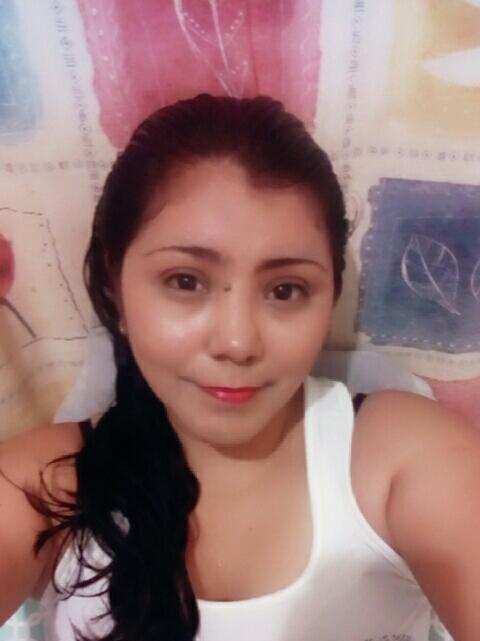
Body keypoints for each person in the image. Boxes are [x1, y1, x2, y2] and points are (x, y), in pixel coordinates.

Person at [0, 94, 479, 641]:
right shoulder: (43, 485)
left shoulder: (398, 456)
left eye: (285, 290)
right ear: (115, 288)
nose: (237, 343)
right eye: (185, 281)